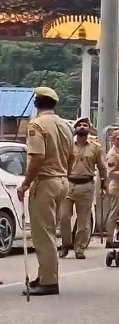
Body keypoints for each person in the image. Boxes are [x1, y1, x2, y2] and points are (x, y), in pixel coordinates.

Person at [16, 87, 73, 296]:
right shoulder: (65, 125)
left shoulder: (37, 124)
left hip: (46, 182)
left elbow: (37, 157)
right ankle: (45, 275)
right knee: (50, 231)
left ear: (36, 103)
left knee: (43, 235)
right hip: (62, 181)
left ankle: (49, 281)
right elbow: (72, 156)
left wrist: (25, 184)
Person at [59, 117, 107, 259]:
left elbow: (102, 167)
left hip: (86, 186)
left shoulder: (95, 147)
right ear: (75, 128)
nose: (82, 127)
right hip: (68, 184)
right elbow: (61, 163)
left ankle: (79, 247)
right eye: (79, 125)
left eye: (85, 125)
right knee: (64, 217)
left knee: (83, 220)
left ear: (89, 128)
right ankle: (66, 244)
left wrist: (103, 185)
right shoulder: (68, 145)